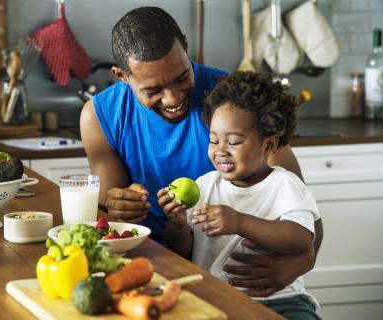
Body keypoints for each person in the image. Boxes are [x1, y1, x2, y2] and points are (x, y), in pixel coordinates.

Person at [80, 6, 323, 297]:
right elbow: (111, 222)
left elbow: (304, 211)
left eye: (182, 77)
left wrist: (303, 261)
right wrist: (118, 205)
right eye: (152, 90)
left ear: (185, 46)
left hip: (239, 280)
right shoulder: (100, 116)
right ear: (122, 75)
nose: (173, 98)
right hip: (146, 267)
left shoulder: (232, 101)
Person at [157, 71, 321, 319]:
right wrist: (177, 226)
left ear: (269, 145)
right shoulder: (205, 185)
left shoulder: (285, 185)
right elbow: (183, 252)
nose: (220, 151)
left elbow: (300, 239)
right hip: (214, 298)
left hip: (279, 300)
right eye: (213, 141)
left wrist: (240, 222)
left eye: (232, 142)